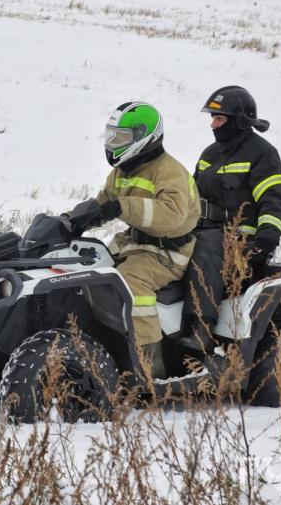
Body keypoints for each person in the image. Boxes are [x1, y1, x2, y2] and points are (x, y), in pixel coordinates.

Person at [69, 101, 200, 379]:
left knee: (130, 284)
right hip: (133, 244)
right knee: (88, 271)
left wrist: (123, 207)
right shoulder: (123, 171)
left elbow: (171, 215)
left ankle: (149, 368)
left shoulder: (170, 171)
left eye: (121, 138)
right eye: (112, 137)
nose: (114, 144)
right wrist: (73, 220)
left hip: (166, 252)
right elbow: (105, 201)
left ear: (144, 137)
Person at [181, 86, 281, 353]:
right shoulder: (210, 154)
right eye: (212, 119)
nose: (213, 125)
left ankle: (201, 328)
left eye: (219, 119)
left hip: (240, 243)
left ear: (239, 120)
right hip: (203, 231)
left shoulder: (261, 153)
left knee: (205, 247)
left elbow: (276, 200)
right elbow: (191, 196)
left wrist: (266, 237)